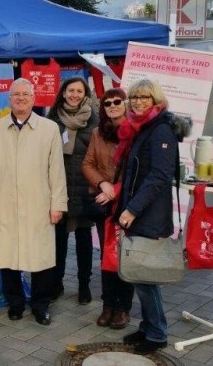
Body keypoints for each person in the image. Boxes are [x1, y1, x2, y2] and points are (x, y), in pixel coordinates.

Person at [0, 78, 67, 326]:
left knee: (40, 258)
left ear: (33, 99)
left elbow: (57, 171)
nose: (20, 98)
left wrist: (57, 204)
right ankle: (16, 302)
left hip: (39, 204)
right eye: (16, 94)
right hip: (6, 204)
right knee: (9, 256)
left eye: (25, 94)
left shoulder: (49, 128)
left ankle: (41, 305)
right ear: (9, 100)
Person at [115, 79, 190, 354]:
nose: (137, 102)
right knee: (141, 275)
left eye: (144, 97)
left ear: (155, 99)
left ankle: (157, 333)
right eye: (133, 97)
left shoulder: (160, 130)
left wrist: (132, 209)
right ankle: (148, 327)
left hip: (148, 213)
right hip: (141, 210)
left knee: (145, 278)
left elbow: (159, 176)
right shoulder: (143, 127)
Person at [82, 88, 135, 330]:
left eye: (117, 101)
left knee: (125, 257)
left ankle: (123, 307)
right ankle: (107, 306)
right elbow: (88, 163)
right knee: (107, 256)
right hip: (105, 206)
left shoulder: (136, 132)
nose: (112, 106)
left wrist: (116, 189)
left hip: (127, 205)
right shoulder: (97, 133)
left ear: (125, 104)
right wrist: (103, 184)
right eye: (107, 103)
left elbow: (138, 170)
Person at [46, 77, 99, 304]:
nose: (74, 94)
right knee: (58, 241)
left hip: (84, 189)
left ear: (85, 93)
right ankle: (56, 283)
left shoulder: (94, 119)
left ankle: (84, 285)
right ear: (64, 92)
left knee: (84, 241)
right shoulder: (53, 118)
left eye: (79, 91)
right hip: (59, 187)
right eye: (71, 90)